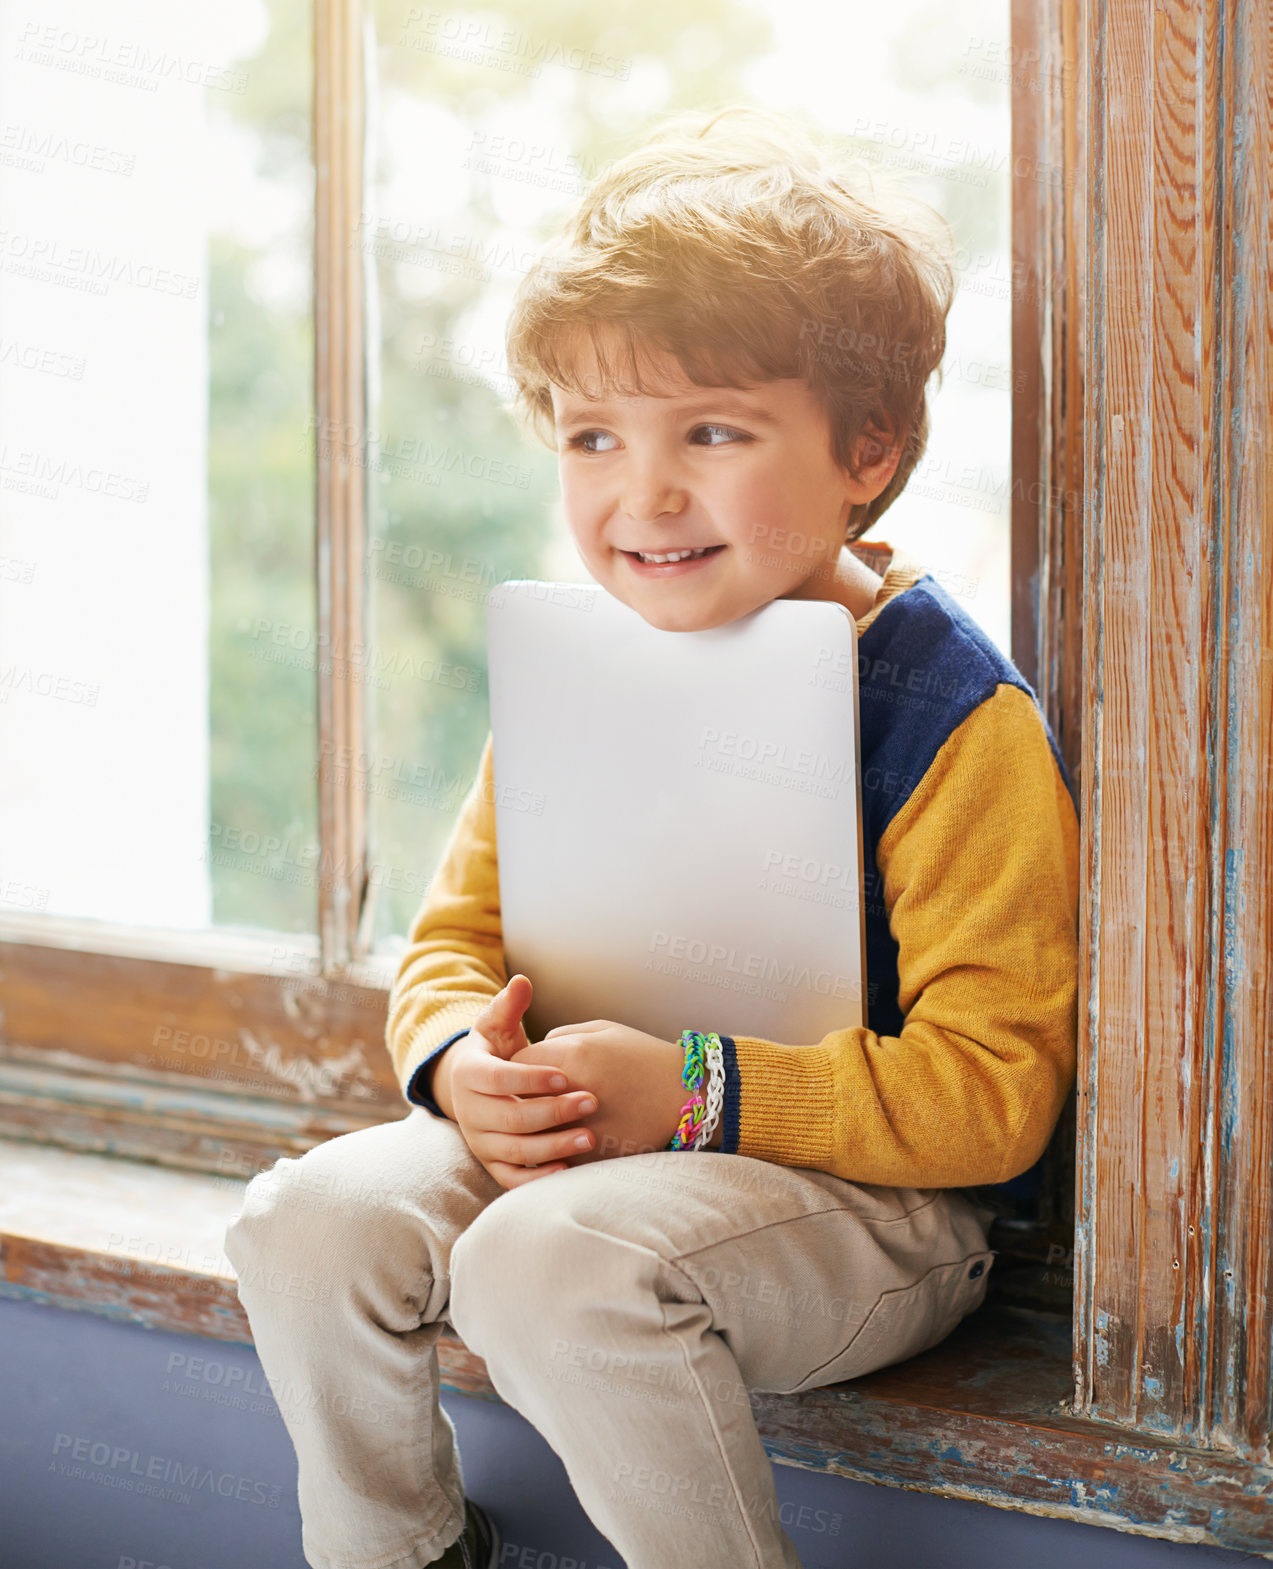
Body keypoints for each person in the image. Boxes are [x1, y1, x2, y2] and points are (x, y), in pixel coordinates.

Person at [224, 104, 1079, 1569]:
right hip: (593, 1151)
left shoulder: (951, 719)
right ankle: (404, 1551)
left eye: (714, 432)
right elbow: (448, 946)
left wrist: (688, 1090)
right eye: (594, 435)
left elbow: (994, 1099)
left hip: (872, 1212)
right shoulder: (576, 668)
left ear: (865, 448)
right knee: (307, 1216)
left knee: (546, 1261)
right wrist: (458, 1063)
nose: (644, 493)